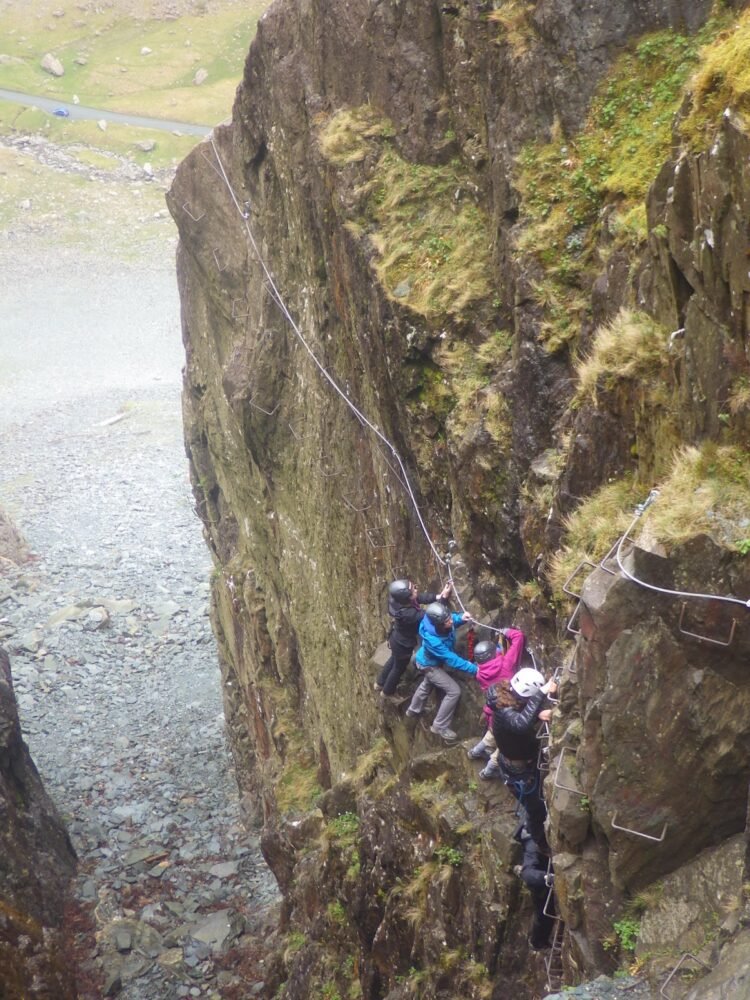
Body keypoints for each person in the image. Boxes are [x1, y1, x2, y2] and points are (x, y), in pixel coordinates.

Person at [484, 668, 557, 847]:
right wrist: (541, 692)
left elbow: (520, 709)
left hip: (517, 763)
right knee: (536, 810)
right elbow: (520, 723)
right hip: (518, 771)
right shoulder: (504, 710)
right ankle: (541, 844)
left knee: (535, 805)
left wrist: (537, 714)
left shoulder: (505, 694)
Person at [405, 601, 476, 744]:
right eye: (447, 621)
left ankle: (413, 709)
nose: (450, 621)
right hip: (430, 666)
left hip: (426, 661)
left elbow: (450, 621)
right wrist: (475, 669)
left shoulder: (435, 621)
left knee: (427, 684)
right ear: (439, 624)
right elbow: (451, 659)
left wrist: (461, 618)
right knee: (454, 691)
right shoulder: (434, 641)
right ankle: (439, 726)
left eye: (450, 618)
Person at [375, 578, 452, 697]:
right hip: (403, 645)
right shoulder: (409, 614)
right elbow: (430, 616)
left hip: (396, 639)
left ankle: (379, 683)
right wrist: (443, 599)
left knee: (393, 660)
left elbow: (419, 598)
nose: (416, 588)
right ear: (408, 597)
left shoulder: (398, 601)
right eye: (413, 589)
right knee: (398, 668)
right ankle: (387, 691)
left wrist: (438, 596)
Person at [467, 627, 526, 762]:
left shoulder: (479, 674)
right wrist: (507, 631)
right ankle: (489, 769)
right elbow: (519, 636)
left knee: (493, 731)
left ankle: (476, 751)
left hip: (493, 710)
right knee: (505, 742)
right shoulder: (506, 664)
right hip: (509, 708)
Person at [514, 823, 556, 950]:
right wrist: (547, 877)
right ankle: (537, 943)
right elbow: (528, 874)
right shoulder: (532, 846)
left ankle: (540, 941)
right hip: (540, 883)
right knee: (544, 914)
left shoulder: (537, 840)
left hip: (543, 874)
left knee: (547, 913)